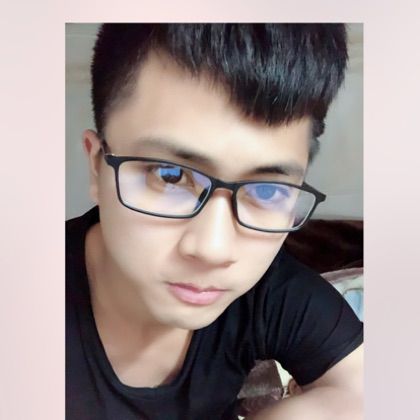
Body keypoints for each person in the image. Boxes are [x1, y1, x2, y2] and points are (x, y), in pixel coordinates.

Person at [66, 23, 363, 420]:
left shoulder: (270, 291)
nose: (214, 250)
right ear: (97, 165)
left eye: (268, 191)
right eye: (170, 176)